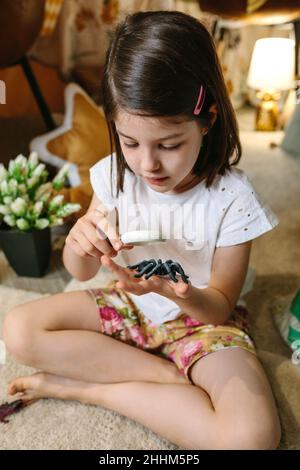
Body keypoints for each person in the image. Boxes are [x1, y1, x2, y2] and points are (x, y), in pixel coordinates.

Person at [2, 11, 281, 449]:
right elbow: (77, 270)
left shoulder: (232, 197)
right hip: (129, 306)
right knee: (18, 328)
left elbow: (220, 308)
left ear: (206, 120)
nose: (147, 164)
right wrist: (80, 238)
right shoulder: (114, 176)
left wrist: (174, 293)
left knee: (253, 439)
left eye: (169, 145)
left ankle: (86, 389)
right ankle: (164, 378)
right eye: (130, 142)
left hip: (200, 321)